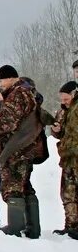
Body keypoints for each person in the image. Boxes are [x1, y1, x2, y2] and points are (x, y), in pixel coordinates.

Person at [0, 66, 43, 239]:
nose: (0, 84)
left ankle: (15, 227)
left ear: (11, 78)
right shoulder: (27, 92)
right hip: (25, 148)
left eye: (1, 80)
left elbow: (7, 123)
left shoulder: (17, 93)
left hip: (15, 149)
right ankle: (32, 227)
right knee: (25, 187)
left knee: (12, 187)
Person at [50, 81, 78, 239]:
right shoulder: (63, 111)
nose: (63, 102)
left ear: (74, 95)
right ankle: (71, 226)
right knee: (67, 194)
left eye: (66, 99)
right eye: (61, 100)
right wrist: (57, 131)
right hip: (67, 158)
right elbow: (61, 133)